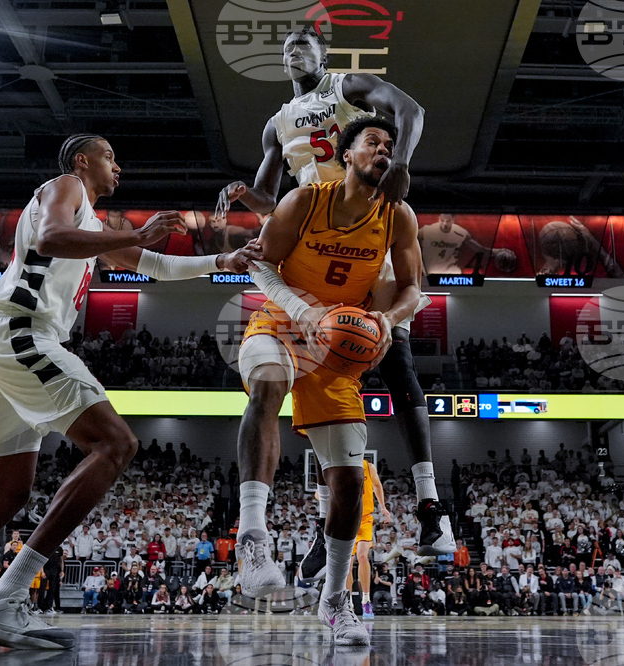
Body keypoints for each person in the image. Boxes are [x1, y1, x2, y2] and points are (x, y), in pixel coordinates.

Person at [0, 134, 257, 649]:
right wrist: (138, 232)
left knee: (6, 495)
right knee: (117, 444)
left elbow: (156, 266)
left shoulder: (90, 225)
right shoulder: (66, 186)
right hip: (24, 333)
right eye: (110, 156)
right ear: (82, 161)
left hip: (9, 340)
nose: (118, 166)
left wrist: (221, 262)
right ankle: (4, 598)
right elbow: (51, 238)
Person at [219, 27, 454, 581]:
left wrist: (400, 164)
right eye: (286, 48)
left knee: (393, 355)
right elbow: (270, 199)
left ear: (324, 54)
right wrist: (245, 196)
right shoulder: (277, 123)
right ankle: (323, 525)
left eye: (304, 44)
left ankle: (430, 505)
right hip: (315, 234)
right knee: (320, 382)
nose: (293, 51)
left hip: (369, 229)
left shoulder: (347, 87)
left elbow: (411, 111)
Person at [235, 116, 422, 647]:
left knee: (349, 484)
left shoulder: (398, 215)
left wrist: (386, 320)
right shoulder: (304, 200)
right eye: (372, 143)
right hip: (282, 322)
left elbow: (413, 289)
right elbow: (259, 266)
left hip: (340, 347)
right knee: (267, 386)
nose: (383, 150)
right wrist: (304, 310)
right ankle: (253, 536)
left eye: (390, 145)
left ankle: (335, 599)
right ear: (346, 155)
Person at [346, 458, 391, 619]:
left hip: (364, 519)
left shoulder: (368, 466)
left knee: (363, 556)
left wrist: (383, 506)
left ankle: (366, 600)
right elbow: (320, 492)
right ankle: (348, 603)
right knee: (347, 563)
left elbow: (377, 485)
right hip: (346, 519)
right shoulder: (341, 465)